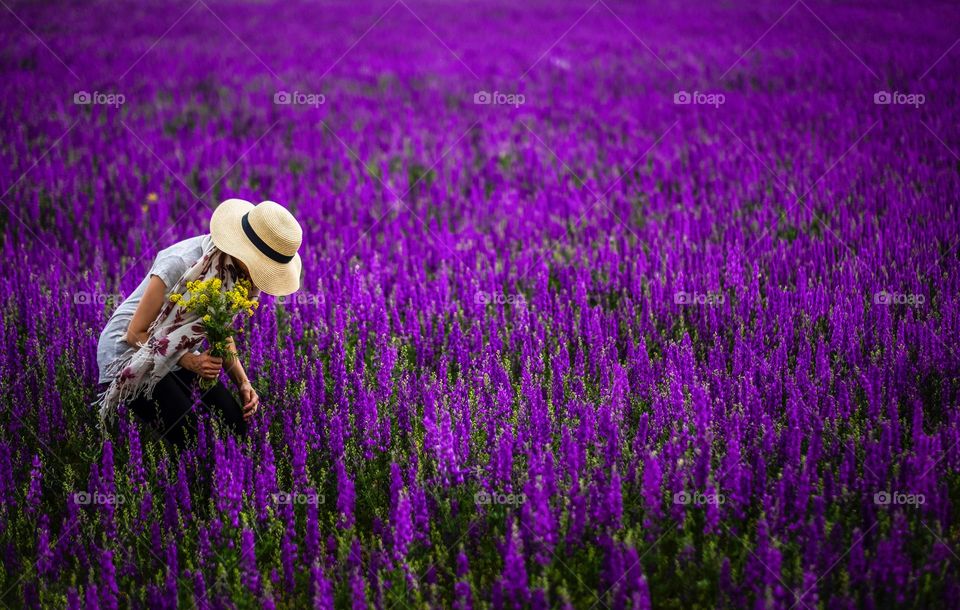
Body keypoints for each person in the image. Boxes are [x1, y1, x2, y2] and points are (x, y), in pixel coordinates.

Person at [96, 199, 303, 447]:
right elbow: (135, 333)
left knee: (235, 424)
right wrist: (191, 361)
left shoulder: (232, 272)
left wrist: (243, 382)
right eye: (262, 267)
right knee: (188, 437)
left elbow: (220, 329)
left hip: (176, 346)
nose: (260, 280)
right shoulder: (181, 264)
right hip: (130, 353)